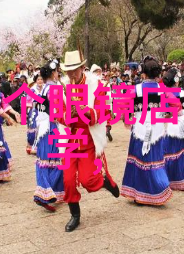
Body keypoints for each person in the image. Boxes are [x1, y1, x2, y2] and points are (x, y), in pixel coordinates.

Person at [58, 50, 120, 232]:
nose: (71, 74)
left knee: (87, 180)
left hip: (88, 140)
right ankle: (75, 215)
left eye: (74, 70)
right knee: (68, 180)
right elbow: (57, 113)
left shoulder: (96, 85)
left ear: (82, 68)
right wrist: (67, 115)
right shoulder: (62, 86)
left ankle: (105, 181)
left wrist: (86, 111)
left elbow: (104, 111)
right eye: (68, 70)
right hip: (69, 139)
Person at [121, 57, 172, 205]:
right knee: (154, 158)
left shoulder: (135, 89)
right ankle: (158, 189)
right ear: (157, 74)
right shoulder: (162, 90)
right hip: (157, 128)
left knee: (138, 159)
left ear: (143, 74)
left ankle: (138, 193)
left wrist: (127, 118)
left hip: (139, 128)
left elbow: (124, 104)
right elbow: (174, 106)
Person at [33, 59, 65, 212]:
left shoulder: (43, 88)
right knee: (56, 158)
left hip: (43, 128)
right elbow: (58, 112)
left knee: (45, 159)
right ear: (53, 73)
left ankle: (47, 192)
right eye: (57, 71)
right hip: (52, 127)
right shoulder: (54, 89)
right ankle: (46, 193)